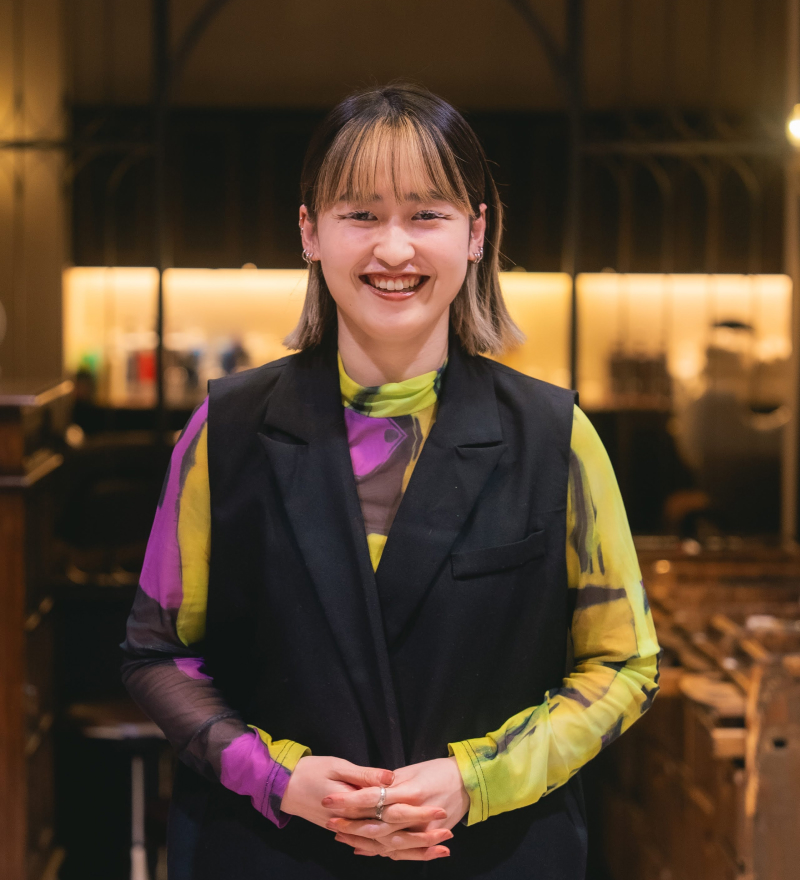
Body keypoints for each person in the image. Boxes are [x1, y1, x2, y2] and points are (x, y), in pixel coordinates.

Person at [121, 82, 661, 879]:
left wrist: (478, 778)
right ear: (310, 232)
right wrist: (278, 777)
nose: (395, 250)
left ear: (476, 233)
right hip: (268, 852)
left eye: (427, 214)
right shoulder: (225, 431)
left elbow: (623, 664)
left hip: (493, 856)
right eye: (362, 214)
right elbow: (157, 653)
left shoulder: (555, 437)